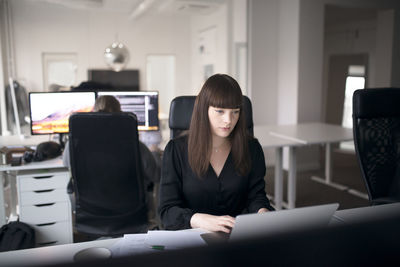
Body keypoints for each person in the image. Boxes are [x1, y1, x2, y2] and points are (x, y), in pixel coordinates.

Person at [158, 74, 273, 233]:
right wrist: (199, 219)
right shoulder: (176, 150)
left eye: (235, 112)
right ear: (203, 110)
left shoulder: (251, 148)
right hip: (191, 238)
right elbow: (166, 212)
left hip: (239, 236)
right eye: (220, 111)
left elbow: (256, 197)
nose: (228, 120)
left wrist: (263, 212)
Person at [62, 95, 161, 224]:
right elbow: (156, 175)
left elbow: (66, 164)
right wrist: (154, 153)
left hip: (90, 212)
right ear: (120, 116)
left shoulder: (75, 144)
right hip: (131, 213)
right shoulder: (135, 145)